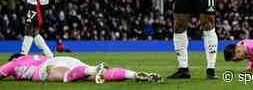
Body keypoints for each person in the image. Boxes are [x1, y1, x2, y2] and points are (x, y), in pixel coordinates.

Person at [0, 53, 162, 83]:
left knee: (66, 76)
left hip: (47, 67)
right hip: (65, 59)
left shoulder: (14, 63)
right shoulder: (35, 56)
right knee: (102, 75)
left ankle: (93, 69)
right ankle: (133, 75)